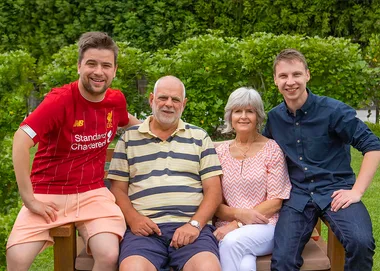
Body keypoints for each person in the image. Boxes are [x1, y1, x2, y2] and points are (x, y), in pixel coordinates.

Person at [6, 31, 140, 271]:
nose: (99, 71)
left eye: (106, 65)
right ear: (79, 66)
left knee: (109, 255)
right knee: (17, 258)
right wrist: (29, 199)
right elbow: (20, 140)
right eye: (91, 63)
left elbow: (125, 119)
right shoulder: (59, 101)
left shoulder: (115, 100)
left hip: (93, 194)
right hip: (48, 193)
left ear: (114, 70)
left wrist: (159, 128)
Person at [263, 48, 380, 271]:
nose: (290, 82)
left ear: (307, 75)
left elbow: (373, 146)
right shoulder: (274, 119)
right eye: (283, 76)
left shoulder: (333, 111)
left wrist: (357, 191)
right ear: (275, 80)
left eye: (296, 74)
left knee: (361, 242)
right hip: (296, 197)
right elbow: (263, 155)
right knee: (283, 260)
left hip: (336, 191)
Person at [107, 75, 223, 271]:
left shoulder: (199, 137)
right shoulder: (129, 139)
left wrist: (194, 225)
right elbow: (118, 189)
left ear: (183, 104)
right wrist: (134, 219)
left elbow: (214, 191)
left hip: (192, 230)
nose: (169, 104)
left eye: (175, 99)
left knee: (207, 268)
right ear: (152, 100)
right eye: (163, 98)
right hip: (144, 232)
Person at [212, 87, 291, 271]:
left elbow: (275, 202)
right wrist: (235, 218)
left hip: (266, 226)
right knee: (245, 264)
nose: (243, 116)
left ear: (258, 117)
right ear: (230, 116)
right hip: (226, 227)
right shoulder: (220, 153)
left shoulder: (272, 149)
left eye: (250, 111)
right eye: (238, 111)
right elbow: (216, 204)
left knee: (231, 242)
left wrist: (237, 223)